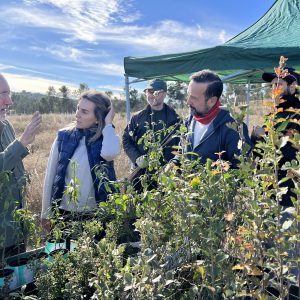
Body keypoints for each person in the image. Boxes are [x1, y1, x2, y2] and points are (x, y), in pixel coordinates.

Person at [41, 91, 120, 232]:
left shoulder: (107, 137)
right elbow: (51, 176)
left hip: (97, 214)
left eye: (84, 111)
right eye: (78, 108)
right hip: (64, 214)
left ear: (97, 118)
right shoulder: (63, 137)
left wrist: (108, 124)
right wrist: (46, 214)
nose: (77, 114)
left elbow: (110, 153)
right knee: (62, 253)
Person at [172, 69, 252, 166]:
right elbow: (182, 152)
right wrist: (173, 163)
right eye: (188, 95)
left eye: (194, 98)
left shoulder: (234, 128)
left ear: (212, 101)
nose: (188, 102)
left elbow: (241, 169)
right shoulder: (189, 120)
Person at [0, 73, 42, 258]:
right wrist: (22, 142)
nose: (9, 101)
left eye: (9, 93)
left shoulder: (6, 125)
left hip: (16, 227)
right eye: (1, 94)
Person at [252, 67, 300, 207]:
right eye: (272, 85)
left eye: (279, 85)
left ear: (292, 87)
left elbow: (293, 154)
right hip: (268, 192)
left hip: (289, 195)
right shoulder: (272, 115)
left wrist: (266, 137)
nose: (274, 89)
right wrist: (255, 137)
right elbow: (258, 153)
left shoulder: (297, 115)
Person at [122, 79, 180, 191]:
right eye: (149, 91)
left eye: (155, 92)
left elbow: (182, 145)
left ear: (164, 94)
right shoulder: (137, 118)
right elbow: (126, 139)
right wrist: (137, 158)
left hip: (166, 173)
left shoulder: (175, 118)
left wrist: (173, 164)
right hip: (141, 173)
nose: (152, 95)